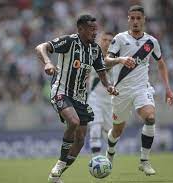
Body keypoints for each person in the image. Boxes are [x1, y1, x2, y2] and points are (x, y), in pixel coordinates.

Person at [35, 14, 118, 183]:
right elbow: (40, 47)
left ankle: (55, 176)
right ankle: (59, 164)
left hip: (80, 98)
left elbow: (102, 73)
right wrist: (48, 62)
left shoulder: (94, 50)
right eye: (91, 29)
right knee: (73, 122)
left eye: (96, 29)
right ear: (80, 29)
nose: (95, 32)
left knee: (80, 140)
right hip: (61, 91)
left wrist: (108, 86)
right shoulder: (69, 42)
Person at [105, 5, 173, 176]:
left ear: (144, 20)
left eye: (139, 18)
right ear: (128, 19)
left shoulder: (152, 42)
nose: (135, 21)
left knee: (150, 118)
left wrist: (168, 88)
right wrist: (121, 60)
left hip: (141, 88)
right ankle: (110, 153)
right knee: (117, 130)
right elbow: (106, 60)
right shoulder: (119, 39)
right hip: (120, 91)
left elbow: (161, 64)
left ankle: (144, 161)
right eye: (132, 18)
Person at [87, 32, 114, 156]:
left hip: (111, 101)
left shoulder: (118, 59)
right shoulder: (92, 56)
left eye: (110, 40)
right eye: (105, 39)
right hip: (95, 98)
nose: (107, 42)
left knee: (110, 134)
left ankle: (108, 159)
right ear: (100, 41)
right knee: (95, 127)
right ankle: (96, 159)